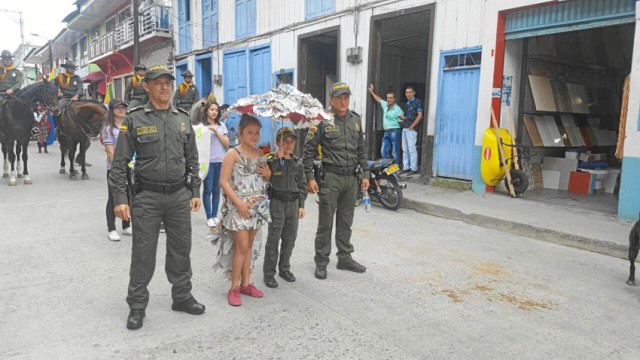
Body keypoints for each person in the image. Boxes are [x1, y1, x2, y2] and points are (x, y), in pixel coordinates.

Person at [109, 64, 205, 330]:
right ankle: (137, 305)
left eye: (168, 82)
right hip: (147, 196)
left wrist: (194, 190)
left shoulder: (182, 118)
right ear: (147, 86)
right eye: (159, 82)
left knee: (181, 250)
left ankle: (182, 297)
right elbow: (119, 164)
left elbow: (192, 160)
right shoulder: (134, 118)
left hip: (178, 196)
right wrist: (120, 198)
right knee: (143, 253)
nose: (165, 87)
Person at [303, 82, 369, 280]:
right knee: (325, 222)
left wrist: (365, 173)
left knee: (346, 221)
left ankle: (345, 258)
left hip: (351, 179)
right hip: (330, 178)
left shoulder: (355, 120)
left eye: (346, 97)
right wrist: (310, 177)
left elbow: (361, 150)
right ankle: (321, 261)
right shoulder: (322, 121)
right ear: (331, 99)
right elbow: (308, 152)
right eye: (339, 97)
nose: (343, 101)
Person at [219, 114, 271, 306]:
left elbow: (264, 178)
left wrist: (269, 174)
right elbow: (223, 182)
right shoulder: (233, 154)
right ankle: (234, 287)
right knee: (240, 247)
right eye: (250, 132)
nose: (254, 136)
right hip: (238, 208)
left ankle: (246, 283)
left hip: (256, 207)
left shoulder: (259, 153)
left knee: (249, 246)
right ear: (240, 133)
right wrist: (239, 203)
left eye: (257, 133)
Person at [263, 127, 307, 289]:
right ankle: (269, 273)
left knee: (290, 238)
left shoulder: (297, 163)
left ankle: (284, 268)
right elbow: (264, 179)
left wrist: (301, 205)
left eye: (291, 142)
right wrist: (276, 160)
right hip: (277, 203)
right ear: (277, 143)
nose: (288, 145)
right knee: (274, 238)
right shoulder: (271, 161)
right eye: (285, 142)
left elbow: (302, 185)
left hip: (293, 204)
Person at [102, 99, 132, 242]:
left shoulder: (129, 125)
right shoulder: (109, 128)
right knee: (113, 198)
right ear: (112, 110)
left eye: (123, 107)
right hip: (115, 169)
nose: (121, 110)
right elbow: (110, 152)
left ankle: (126, 225)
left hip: (130, 167)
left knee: (129, 196)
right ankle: (111, 229)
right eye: (118, 107)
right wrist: (121, 167)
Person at [55, 60, 91, 167]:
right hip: (65, 98)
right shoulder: (59, 77)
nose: (72, 69)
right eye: (70, 67)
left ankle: (88, 127)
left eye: (73, 67)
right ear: (66, 68)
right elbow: (52, 86)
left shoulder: (77, 78)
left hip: (76, 98)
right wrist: (58, 92)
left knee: (87, 109)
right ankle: (58, 128)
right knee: (57, 109)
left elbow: (80, 88)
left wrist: (77, 95)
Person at [201, 101, 230, 227]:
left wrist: (217, 132)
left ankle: (215, 215)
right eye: (211, 109)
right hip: (207, 162)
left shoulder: (221, 126)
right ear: (207, 110)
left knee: (217, 190)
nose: (214, 112)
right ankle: (209, 216)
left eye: (216, 110)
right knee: (207, 190)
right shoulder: (201, 126)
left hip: (220, 161)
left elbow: (227, 143)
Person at [368, 84, 403, 165]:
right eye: (388, 98)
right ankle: (388, 168)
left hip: (395, 131)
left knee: (395, 152)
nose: (389, 99)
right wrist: (371, 92)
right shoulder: (385, 105)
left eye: (391, 98)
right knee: (383, 150)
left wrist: (403, 119)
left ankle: (395, 171)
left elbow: (402, 121)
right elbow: (379, 99)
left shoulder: (398, 109)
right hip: (386, 132)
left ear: (394, 99)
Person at [399, 86, 423, 176]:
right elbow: (407, 117)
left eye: (409, 92)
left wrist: (412, 126)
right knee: (405, 149)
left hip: (411, 129)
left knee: (412, 149)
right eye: (406, 92)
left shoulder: (417, 102)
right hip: (405, 128)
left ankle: (413, 168)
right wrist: (402, 118)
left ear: (414, 93)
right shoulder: (407, 103)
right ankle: (406, 167)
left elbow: (420, 115)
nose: (407, 94)